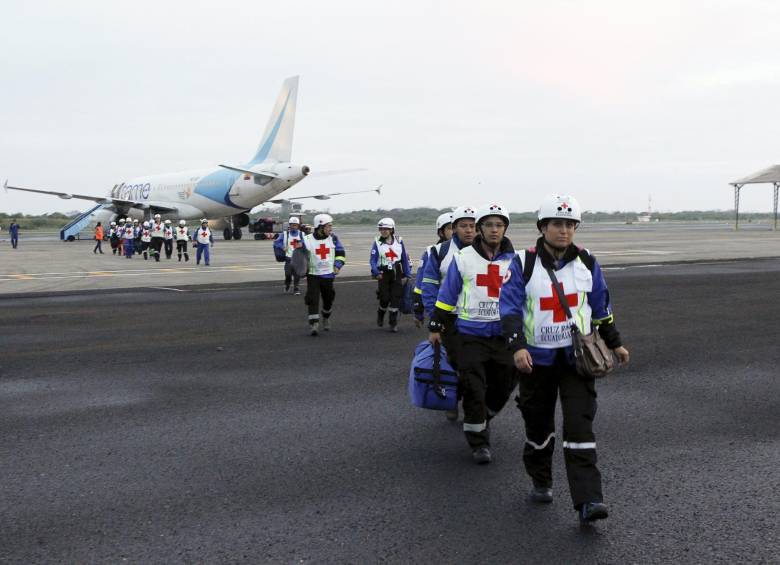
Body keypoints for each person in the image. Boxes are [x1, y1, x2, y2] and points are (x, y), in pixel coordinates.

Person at [499, 194, 630, 524]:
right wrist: (517, 347)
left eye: (570, 225)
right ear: (543, 227)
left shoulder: (586, 261)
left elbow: (601, 307)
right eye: (557, 224)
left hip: (577, 361)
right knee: (539, 428)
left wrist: (615, 344)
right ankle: (541, 480)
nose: (564, 230)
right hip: (536, 362)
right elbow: (511, 308)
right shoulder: (522, 262)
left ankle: (589, 501)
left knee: (579, 426)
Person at [428, 204, 517, 464]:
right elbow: (448, 294)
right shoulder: (463, 258)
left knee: (503, 387)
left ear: (505, 229)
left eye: (499, 225)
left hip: (503, 336)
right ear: (480, 229)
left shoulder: (516, 260)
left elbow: (525, 296)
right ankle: (479, 443)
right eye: (488, 225)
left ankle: (484, 416)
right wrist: (436, 324)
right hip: (470, 335)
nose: (494, 229)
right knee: (474, 388)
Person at [421, 205, 478, 421]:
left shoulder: (489, 252)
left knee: (477, 365)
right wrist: (434, 319)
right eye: (463, 226)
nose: (469, 230)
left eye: (473, 226)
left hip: (478, 319)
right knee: (457, 363)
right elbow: (428, 286)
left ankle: (474, 408)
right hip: (450, 319)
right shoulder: (440, 252)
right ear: (454, 228)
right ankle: (453, 400)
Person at [300, 213, 346, 336]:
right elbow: (299, 257)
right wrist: (301, 270)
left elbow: (341, 252)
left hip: (328, 275)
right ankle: (314, 324)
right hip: (313, 275)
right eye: (328, 226)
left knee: (329, 298)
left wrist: (337, 265)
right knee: (312, 298)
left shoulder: (333, 238)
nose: (331, 229)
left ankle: (326, 316)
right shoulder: (306, 240)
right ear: (320, 227)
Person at [370, 218, 412, 332]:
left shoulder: (399, 241)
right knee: (384, 298)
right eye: (382, 229)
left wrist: (407, 274)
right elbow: (373, 260)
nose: (383, 231)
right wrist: (376, 272)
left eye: (386, 229)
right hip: (383, 273)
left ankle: (393, 323)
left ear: (392, 229)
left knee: (395, 298)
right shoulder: (377, 242)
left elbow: (404, 258)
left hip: (397, 272)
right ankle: (381, 313)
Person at [412, 212, 452, 329]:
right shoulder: (432, 253)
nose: (455, 231)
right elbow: (420, 285)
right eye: (450, 228)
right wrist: (418, 311)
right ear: (441, 232)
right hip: (442, 309)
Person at [273, 216, 304, 294]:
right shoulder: (285, 234)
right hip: (288, 258)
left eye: (295, 225)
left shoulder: (301, 234)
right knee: (288, 274)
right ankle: (287, 284)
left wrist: (302, 244)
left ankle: (296, 288)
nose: (294, 227)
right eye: (292, 225)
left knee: (297, 274)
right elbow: (277, 242)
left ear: (298, 226)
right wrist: (282, 247)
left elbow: (308, 243)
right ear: (289, 225)